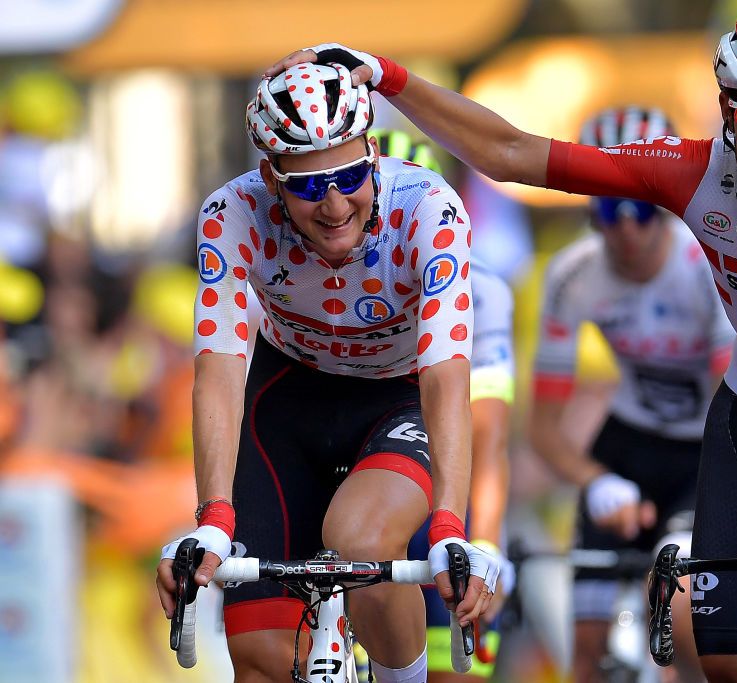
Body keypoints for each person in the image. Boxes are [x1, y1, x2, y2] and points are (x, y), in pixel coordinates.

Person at [266, 9, 737, 682]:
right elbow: (511, 153)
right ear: (724, 109)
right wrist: (386, 76)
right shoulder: (692, 172)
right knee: (718, 655)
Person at [154, 63, 499, 683]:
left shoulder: (428, 209)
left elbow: (446, 375)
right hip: (284, 399)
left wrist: (449, 522)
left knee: (362, 542)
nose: (335, 205)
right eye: (309, 187)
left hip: (398, 399)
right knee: (262, 661)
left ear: (372, 153)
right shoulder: (231, 213)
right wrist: (213, 519)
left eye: (349, 176)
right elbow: (220, 371)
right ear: (270, 179)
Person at [530, 106, 732, 682]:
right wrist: (597, 482)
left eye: (641, 208)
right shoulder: (572, 276)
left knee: (682, 614)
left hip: (707, 449)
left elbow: (731, 400)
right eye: (606, 209)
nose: (625, 228)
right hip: (626, 446)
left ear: (665, 206)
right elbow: (544, 429)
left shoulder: (707, 264)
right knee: (588, 655)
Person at [374, 129, 517, 681]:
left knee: (450, 670)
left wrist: (486, 541)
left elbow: (487, 434)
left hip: (443, 493)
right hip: (368, 480)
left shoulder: (481, 288)